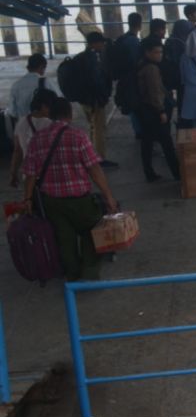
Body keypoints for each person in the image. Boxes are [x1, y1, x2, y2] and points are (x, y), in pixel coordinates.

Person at [21, 96, 118, 281]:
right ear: (70, 114)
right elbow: (94, 169)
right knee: (92, 229)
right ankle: (89, 273)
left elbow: (30, 174)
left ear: (51, 114)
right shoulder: (78, 136)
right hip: (79, 199)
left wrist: (27, 199)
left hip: (52, 202)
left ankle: (72, 275)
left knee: (64, 240)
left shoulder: (37, 139)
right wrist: (108, 196)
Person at [136, 38, 180, 182]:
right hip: (154, 111)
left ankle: (148, 172)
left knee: (147, 142)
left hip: (144, 110)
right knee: (167, 143)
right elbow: (155, 92)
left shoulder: (142, 64)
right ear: (147, 52)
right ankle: (177, 173)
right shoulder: (152, 69)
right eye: (156, 52)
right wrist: (161, 111)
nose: (159, 55)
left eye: (161, 52)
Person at [80, 31, 118, 168]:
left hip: (85, 99)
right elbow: (97, 81)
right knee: (99, 129)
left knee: (93, 127)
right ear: (94, 44)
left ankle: (92, 154)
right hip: (95, 99)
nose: (103, 45)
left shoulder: (82, 57)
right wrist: (102, 97)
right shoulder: (93, 59)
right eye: (101, 43)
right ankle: (100, 159)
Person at [8, 87, 54, 188]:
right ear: (44, 106)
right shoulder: (50, 124)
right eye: (52, 106)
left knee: (33, 200)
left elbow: (17, 151)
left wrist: (13, 174)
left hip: (29, 175)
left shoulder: (21, 122)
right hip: (49, 174)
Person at [7, 53, 46, 134]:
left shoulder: (16, 85)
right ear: (42, 67)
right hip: (43, 127)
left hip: (23, 129)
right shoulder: (46, 82)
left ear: (28, 68)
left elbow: (12, 112)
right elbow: (59, 102)